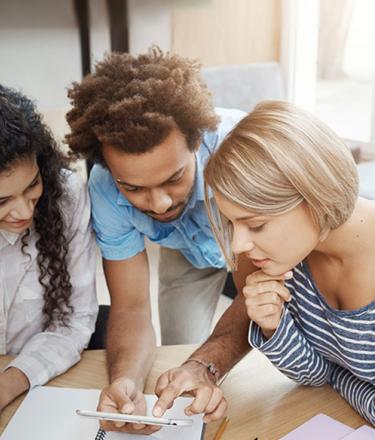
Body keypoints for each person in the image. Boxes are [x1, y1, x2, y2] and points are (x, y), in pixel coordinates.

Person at [65, 47, 249, 433]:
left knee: (253, 344)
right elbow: (131, 308)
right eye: (133, 187)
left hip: (251, 240)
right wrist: (126, 378)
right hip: (187, 256)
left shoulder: (243, 150)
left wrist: (209, 363)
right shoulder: (103, 189)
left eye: (173, 178)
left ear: (198, 141)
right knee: (180, 357)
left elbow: (264, 288)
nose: (160, 204)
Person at [156, 100, 375, 424]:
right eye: (232, 224)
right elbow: (315, 374)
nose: (238, 244)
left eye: (256, 225)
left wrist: (341, 381)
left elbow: (334, 377)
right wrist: (273, 326)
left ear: (315, 196)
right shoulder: (288, 260)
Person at [0, 85, 98, 413]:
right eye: (1, 201)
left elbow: (74, 319)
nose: (24, 213)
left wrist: (9, 384)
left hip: (38, 384)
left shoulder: (65, 197)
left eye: (32, 186)